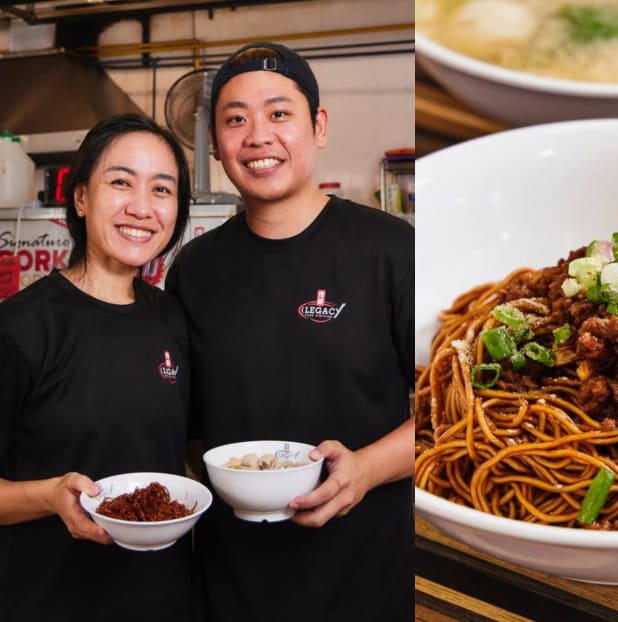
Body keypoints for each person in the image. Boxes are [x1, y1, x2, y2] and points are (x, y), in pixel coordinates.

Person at [165, 43, 414, 621]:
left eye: (279, 113)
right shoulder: (194, 268)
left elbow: (454, 405)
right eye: (235, 119)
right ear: (213, 143)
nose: (258, 136)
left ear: (318, 126)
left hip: (364, 575)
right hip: (230, 578)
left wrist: (367, 469)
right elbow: (181, 417)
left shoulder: (390, 250)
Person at [0, 113, 193, 622]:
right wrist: (48, 495)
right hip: (50, 600)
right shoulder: (22, 326)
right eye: (121, 182)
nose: (141, 207)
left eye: (162, 189)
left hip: (166, 599)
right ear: (81, 197)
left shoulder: (172, 318)